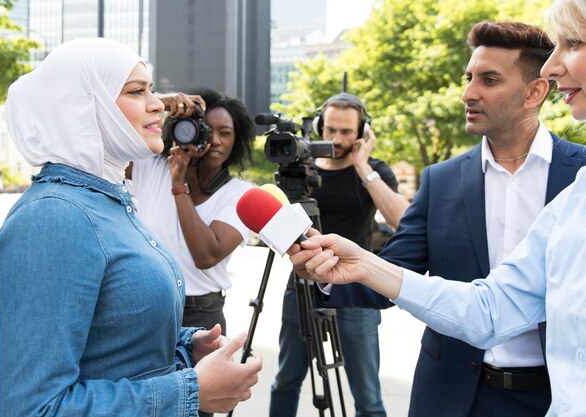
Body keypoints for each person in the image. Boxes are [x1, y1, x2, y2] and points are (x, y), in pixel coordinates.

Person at [288, 1, 586, 415]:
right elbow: (447, 290)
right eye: (468, 78)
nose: (468, 93)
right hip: (451, 395)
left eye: (490, 79)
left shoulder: (578, 174)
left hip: (552, 395)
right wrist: (328, 276)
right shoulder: (442, 179)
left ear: (534, 92)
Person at [0, 37, 261, 417]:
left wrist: (184, 347)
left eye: (152, 90)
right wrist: (189, 390)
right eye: (138, 91)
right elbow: (32, 408)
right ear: (85, 106)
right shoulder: (51, 219)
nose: (157, 103)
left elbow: (107, 337)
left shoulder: (106, 200)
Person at [269, 93, 409, 417]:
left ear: (362, 132)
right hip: (302, 288)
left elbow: (402, 220)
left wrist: (362, 167)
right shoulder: (299, 172)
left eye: (346, 131)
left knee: (367, 396)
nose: (336, 138)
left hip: (357, 291)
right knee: (286, 381)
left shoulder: (373, 171)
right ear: (320, 126)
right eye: (330, 129)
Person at [128, 87, 255, 417]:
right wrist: (157, 106)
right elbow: (100, 143)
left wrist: (179, 185)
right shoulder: (149, 168)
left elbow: (207, 253)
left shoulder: (240, 194)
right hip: (148, 311)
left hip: (201, 318)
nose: (214, 140)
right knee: (147, 405)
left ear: (237, 140)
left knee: (193, 410)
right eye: (205, 130)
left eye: (225, 133)